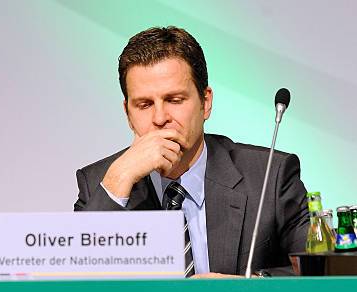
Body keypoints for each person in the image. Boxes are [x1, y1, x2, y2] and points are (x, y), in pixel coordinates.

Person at [74, 26, 309, 277]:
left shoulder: (268, 176)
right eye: (144, 104)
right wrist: (116, 183)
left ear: (205, 103)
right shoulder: (99, 183)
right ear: (128, 114)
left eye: (174, 100)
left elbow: (319, 275)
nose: (160, 118)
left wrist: (246, 290)